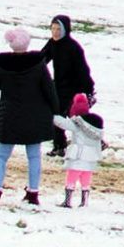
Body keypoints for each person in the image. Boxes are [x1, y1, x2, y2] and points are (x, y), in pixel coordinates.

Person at [0, 28, 58, 205]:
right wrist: (55, 111)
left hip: (9, 116)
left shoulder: (3, 63)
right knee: (34, 156)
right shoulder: (38, 63)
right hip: (35, 116)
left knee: (1, 156)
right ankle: (33, 193)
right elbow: (49, 89)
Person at [44, 15, 93, 159]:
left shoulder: (73, 47)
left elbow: (84, 70)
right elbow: (41, 58)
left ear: (66, 29)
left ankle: (98, 141)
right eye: (53, 29)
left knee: (76, 119)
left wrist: (87, 90)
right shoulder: (52, 43)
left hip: (75, 89)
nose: (55, 32)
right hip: (59, 87)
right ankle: (59, 146)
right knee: (56, 116)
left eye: (59, 29)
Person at [59, 92, 105, 209]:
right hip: (91, 156)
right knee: (86, 177)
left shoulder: (77, 123)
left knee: (72, 177)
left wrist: (51, 114)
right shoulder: (96, 123)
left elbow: (61, 123)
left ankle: (68, 201)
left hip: (78, 154)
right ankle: (84, 201)